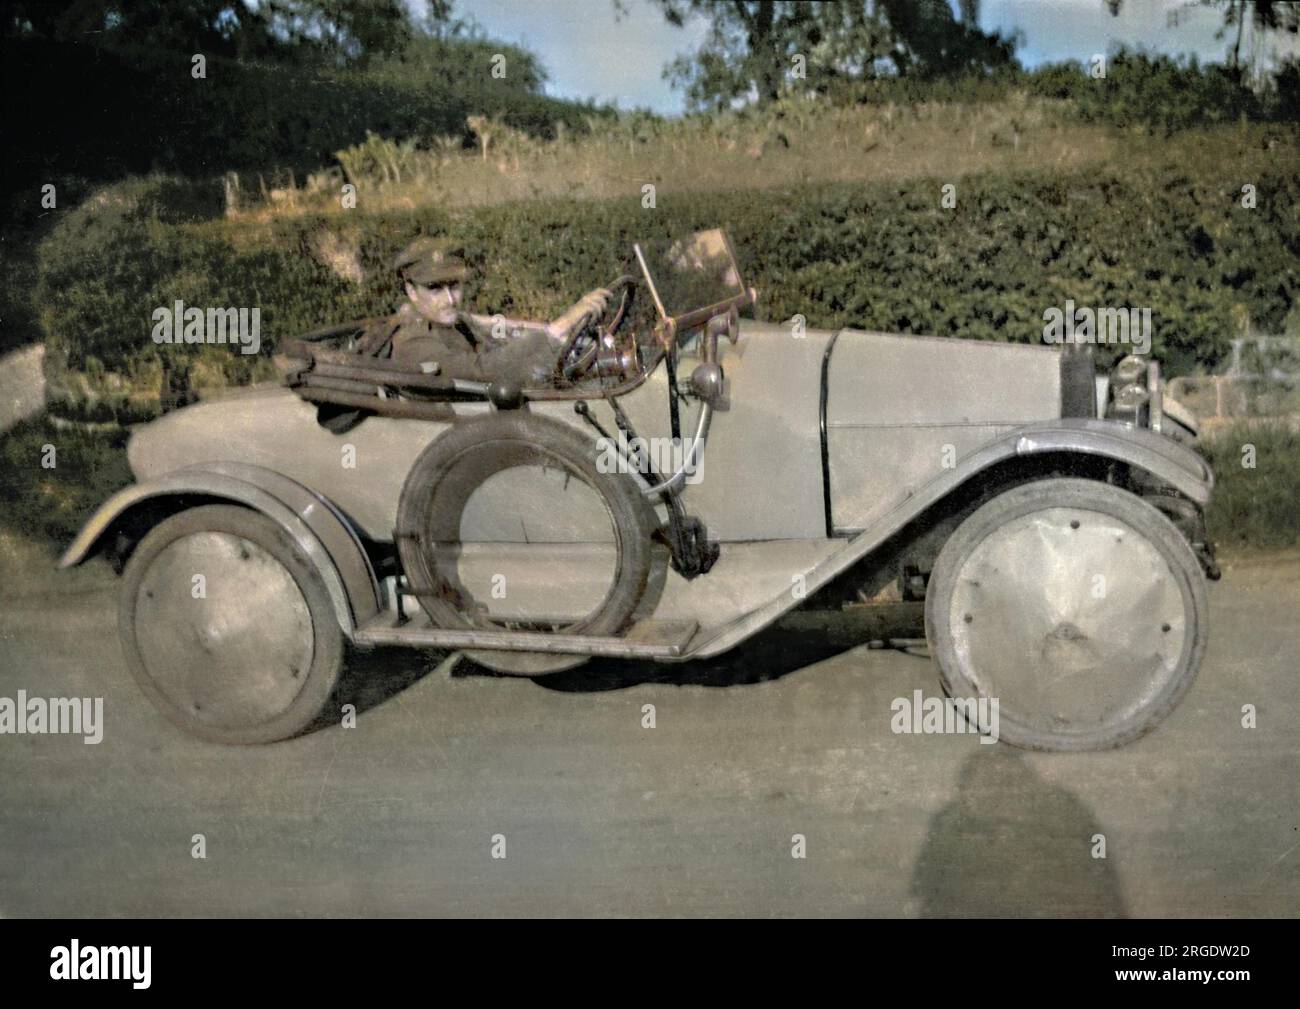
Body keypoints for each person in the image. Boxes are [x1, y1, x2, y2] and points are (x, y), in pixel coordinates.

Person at [355, 237, 611, 388]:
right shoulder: (412, 340)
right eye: (434, 288)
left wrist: (561, 331)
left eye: (454, 286)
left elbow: (497, 326)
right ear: (411, 292)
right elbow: (483, 370)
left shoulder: (453, 321)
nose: (449, 299)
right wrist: (561, 325)